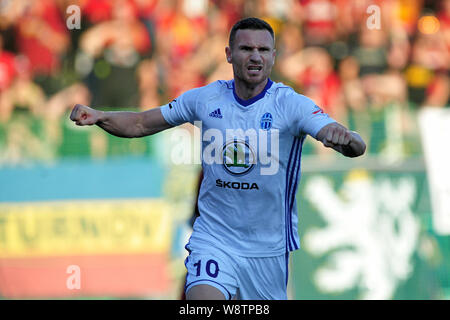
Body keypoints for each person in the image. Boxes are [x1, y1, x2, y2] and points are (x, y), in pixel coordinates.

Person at [70, 17, 366, 300]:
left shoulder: (291, 105)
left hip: (267, 249)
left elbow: (345, 139)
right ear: (228, 54)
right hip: (214, 238)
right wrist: (100, 116)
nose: (255, 57)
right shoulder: (204, 99)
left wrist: (346, 138)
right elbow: (139, 124)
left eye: (263, 50)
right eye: (246, 49)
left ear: (273, 57)